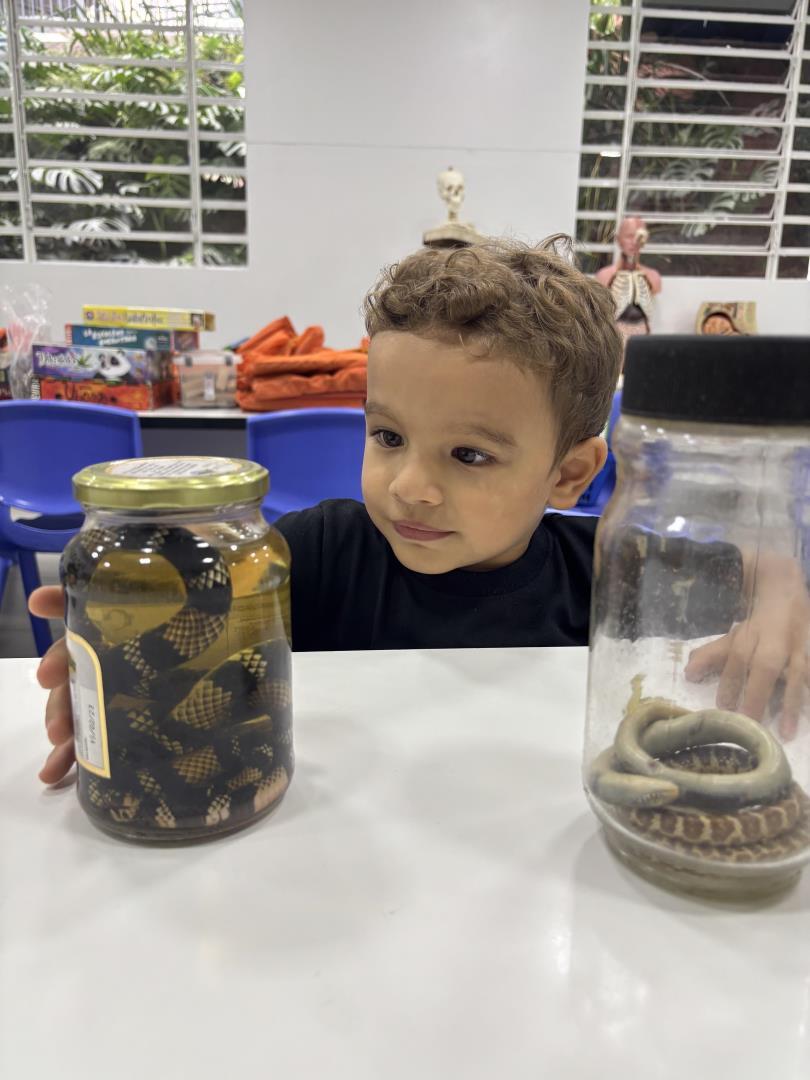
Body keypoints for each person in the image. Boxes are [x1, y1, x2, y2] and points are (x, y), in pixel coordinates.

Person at [31, 238, 808, 786]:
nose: (410, 486)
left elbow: (769, 573)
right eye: (389, 436)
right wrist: (126, 643)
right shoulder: (319, 552)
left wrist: (782, 606)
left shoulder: (608, 567)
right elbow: (193, 621)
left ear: (569, 474)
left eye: (469, 455)